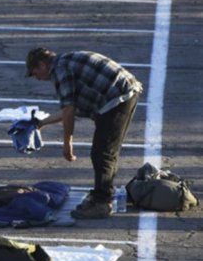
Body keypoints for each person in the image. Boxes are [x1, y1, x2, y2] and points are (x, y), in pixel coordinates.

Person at [25, 47, 142, 219]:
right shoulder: (66, 62)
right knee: (105, 151)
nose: (37, 78)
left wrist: (67, 143)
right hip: (121, 93)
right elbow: (72, 108)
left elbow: (69, 110)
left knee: (103, 153)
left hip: (118, 97)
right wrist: (41, 123)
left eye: (35, 72)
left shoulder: (60, 71)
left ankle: (102, 202)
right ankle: (101, 195)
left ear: (42, 64)